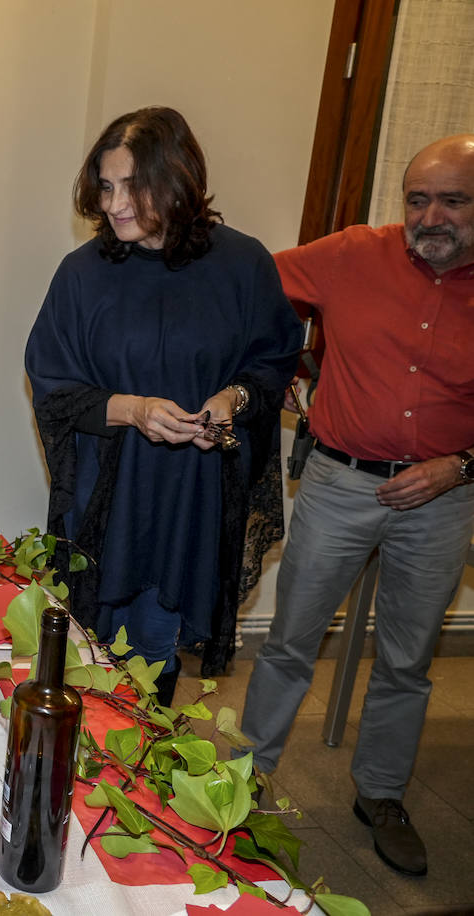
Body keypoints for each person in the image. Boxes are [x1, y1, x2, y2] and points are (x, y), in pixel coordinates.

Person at [240, 134, 474, 878]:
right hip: (341, 484)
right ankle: (243, 785)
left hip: (445, 498)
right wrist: (281, 375)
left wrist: (457, 467)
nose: (431, 216)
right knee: (288, 643)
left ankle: (380, 795)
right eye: (417, 199)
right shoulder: (350, 254)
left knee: (406, 660)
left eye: (454, 200)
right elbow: (249, 290)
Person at [24, 106, 301, 701]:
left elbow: (273, 360)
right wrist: (134, 409)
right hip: (111, 497)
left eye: (133, 186)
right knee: (88, 651)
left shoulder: (243, 265)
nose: (114, 204)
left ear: (177, 182)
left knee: (154, 650)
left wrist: (233, 399)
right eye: (105, 185)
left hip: (189, 497)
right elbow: (52, 383)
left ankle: (134, 770)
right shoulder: (83, 274)